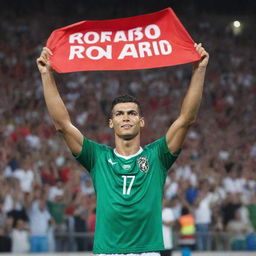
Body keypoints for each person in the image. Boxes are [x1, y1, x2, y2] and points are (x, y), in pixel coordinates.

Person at [36, 42, 209, 255]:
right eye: (119, 114)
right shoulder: (97, 157)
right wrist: (46, 74)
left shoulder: (157, 156)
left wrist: (199, 70)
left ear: (141, 121)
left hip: (147, 252)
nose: (125, 117)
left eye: (132, 113)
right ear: (111, 122)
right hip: (108, 251)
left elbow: (186, 119)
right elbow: (62, 125)